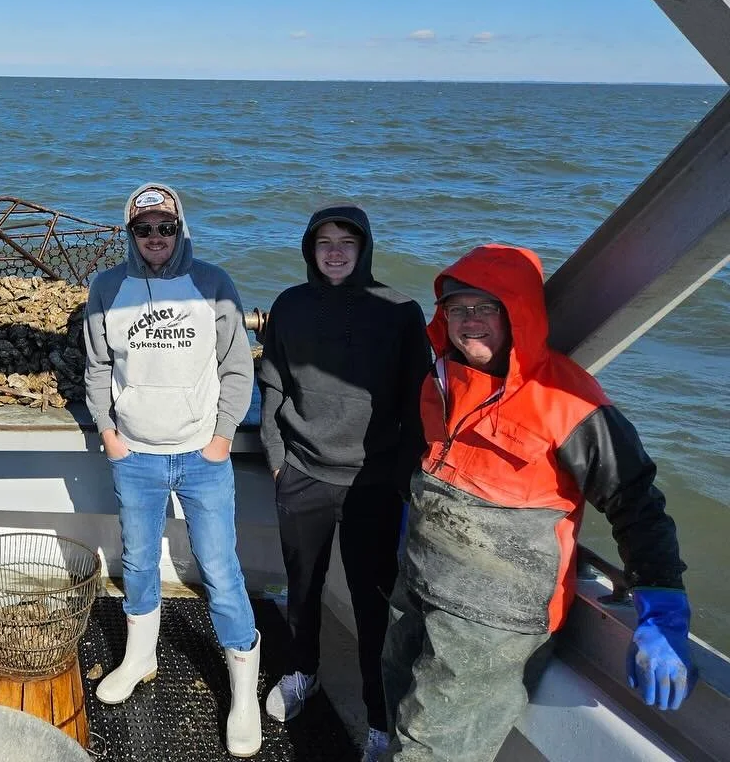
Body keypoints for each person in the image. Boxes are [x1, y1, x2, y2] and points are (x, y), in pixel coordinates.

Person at [383, 244, 695, 761]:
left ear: (517, 314)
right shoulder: (439, 380)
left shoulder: (570, 402)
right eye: (458, 309)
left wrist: (661, 604)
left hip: (493, 620)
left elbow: (635, 499)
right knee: (395, 685)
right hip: (420, 580)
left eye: (486, 307)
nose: (470, 321)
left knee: (429, 748)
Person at [83, 182, 263, 757]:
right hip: (134, 455)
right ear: (129, 232)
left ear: (180, 228)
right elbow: (96, 369)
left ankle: (244, 693)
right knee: (137, 560)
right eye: (144, 228)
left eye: (165, 227)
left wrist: (221, 438)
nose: (155, 238)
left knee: (220, 568)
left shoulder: (214, 283)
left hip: (201, 457)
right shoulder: (106, 287)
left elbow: (237, 368)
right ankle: (139, 657)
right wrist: (111, 437)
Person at [257, 205, 430, 762]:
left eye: (346, 242)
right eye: (323, 241)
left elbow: (416, 403)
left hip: (372, 486)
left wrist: (401, 477)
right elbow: (274, 385)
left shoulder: (401, 312)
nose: (334, 251)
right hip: (302, 473)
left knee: (372, 604)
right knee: (302, 589)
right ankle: (300, 671)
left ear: (365, 248)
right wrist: (279, 457)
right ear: (309, 247)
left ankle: (379, 720)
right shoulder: (289, 305)